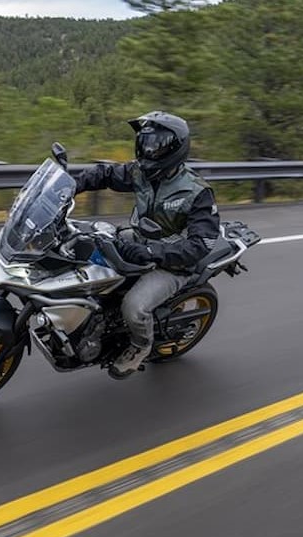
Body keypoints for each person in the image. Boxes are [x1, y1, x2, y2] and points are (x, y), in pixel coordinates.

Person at [75, 111, 221, 379]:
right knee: (85, 244)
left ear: (175, 148)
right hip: (139, 242)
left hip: (175, 264)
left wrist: (153, 252)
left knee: (134, 306)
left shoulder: (197, 192)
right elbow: (106, 174)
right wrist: (72, 185)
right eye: (145, 143)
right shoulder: (141, 172)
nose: (148, 149)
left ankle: (140, 346)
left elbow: (200, 245)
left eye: (156, 144)